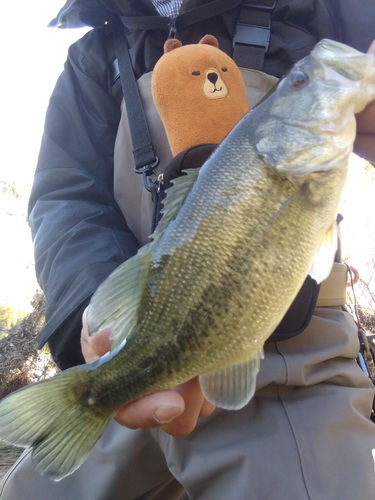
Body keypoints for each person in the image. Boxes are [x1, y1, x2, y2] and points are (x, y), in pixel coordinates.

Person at [1, 1, 375, 499]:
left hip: (290, 359)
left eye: (297, 86)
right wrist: (97, 312)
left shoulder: (314, 9)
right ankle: (88, 397)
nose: (311, 78)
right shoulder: (92, 57)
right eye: (301, 82)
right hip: (136, 341)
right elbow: (66, 195)